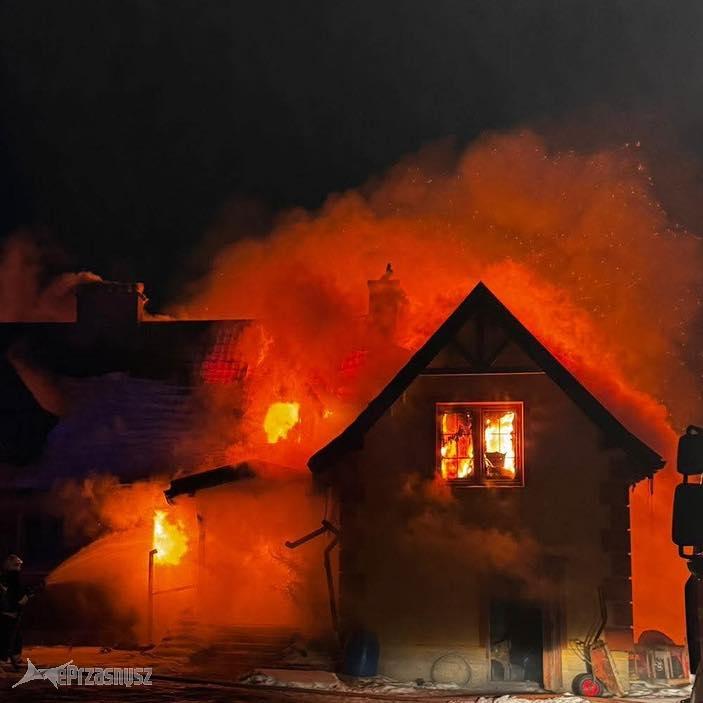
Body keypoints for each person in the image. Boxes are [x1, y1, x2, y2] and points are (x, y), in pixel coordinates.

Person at [0, 554, 29, 669]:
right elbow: (14, 594)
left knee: (15, 636)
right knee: (7, 636)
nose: (18, 568)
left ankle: (14, 657)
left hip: (9, 611)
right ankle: (3, 659)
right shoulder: (10, 577)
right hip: (8, 612)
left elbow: (16, 592)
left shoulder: (8, 577)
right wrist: (25, 596)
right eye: (16, 565)